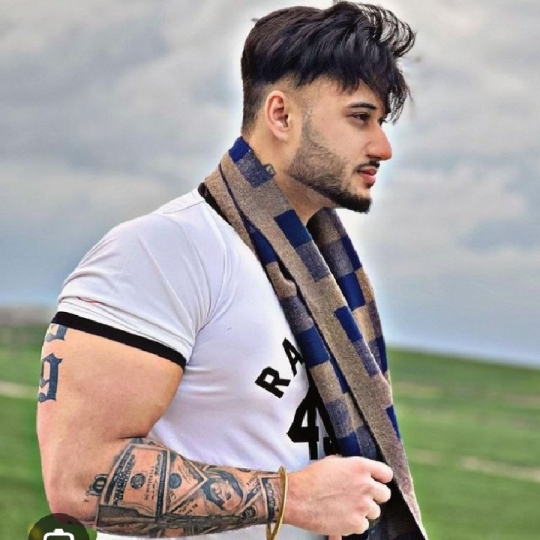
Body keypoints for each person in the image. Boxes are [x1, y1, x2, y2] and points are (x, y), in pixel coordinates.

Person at [37, 2, 428, 540]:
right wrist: (293, 498)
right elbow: (79, 481)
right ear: (281, 115)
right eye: (360, 117)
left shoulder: (323, 276)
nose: (382, 147)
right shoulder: (165, 250)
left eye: (380, 122)